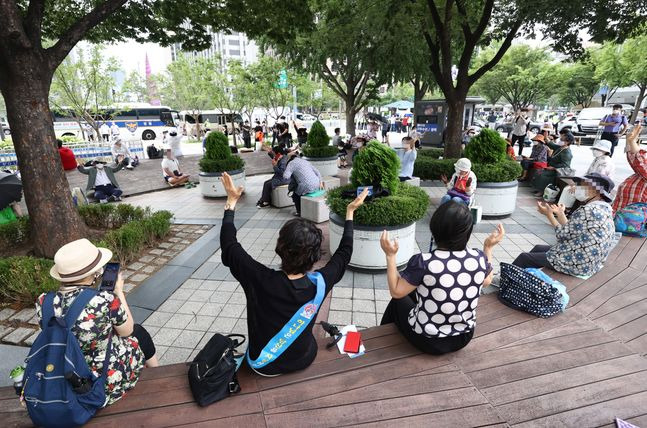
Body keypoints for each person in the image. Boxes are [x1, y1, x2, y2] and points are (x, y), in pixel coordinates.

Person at [220, 172, 368, 375]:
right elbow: (344, 254)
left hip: (263, 366)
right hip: (302, 359)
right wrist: (350, 213)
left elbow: (229, 245)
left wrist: (231, 202)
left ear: (280, 246)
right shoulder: (321, 283)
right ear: (315, 256)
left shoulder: (258, 278)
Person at [39, 238, 158, 406]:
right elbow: (127, 330)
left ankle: (157, 372)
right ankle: (158, 374)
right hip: (101, 384)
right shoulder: (104, 300)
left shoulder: (44, 302)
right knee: (139, 333)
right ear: (94, 274)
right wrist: (118, 292)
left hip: (66, 375)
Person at [379, 201, 504, 354]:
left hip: (429, 340)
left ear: (435, 228)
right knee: (413, 291)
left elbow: (396, 291)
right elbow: (486, 281)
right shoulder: (478, 257)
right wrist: (488, 247)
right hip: (463, 337)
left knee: (398, 300)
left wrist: (390, 256)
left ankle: (379, 340)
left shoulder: (424, 262)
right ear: (468, 232)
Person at [513, 173, 616, 277]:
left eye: (582, 185)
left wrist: (549, 215)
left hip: (577, 263)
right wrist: (561, 213)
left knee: (524, 258)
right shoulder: (604, 208)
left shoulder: (588, 210)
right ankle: (522, 278)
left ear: (595, 190)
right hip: (590, 261)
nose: (577, 187)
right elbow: (572, 230)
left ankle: (505, 279)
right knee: (538, 248)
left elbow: (562, 236)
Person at [612, 124, 646, 214]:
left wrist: (632, 141)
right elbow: (634, 160)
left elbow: (641, 163)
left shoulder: (643, 171)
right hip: (621, 216)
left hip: (633, 223)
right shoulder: (639, 173)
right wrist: (630, 141)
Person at [532, 131, 574, 197]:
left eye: (563, 137)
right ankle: (538, 188)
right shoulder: (561, 147)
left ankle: (542, 191)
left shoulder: (567, 152)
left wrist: (554, 167)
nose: (561, 138)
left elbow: (565, 165)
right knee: (538, 171)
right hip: (551, 167)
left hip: (557, 170)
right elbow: (552, 145)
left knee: (543, 175)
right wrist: (546, 137)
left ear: (567, 141)